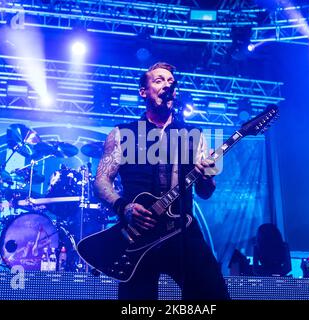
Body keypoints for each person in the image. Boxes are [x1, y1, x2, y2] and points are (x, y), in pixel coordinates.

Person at [93, 62, 230, 300]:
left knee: (213, 297)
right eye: (158, 81)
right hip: (138, 233)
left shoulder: (193, 135)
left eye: (170, 82)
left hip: (182, 230)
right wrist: (123, 207)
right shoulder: (123, 133)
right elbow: (101, 181)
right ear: (143, 91)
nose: (166, 85)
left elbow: (206, 192)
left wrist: (207, 178)